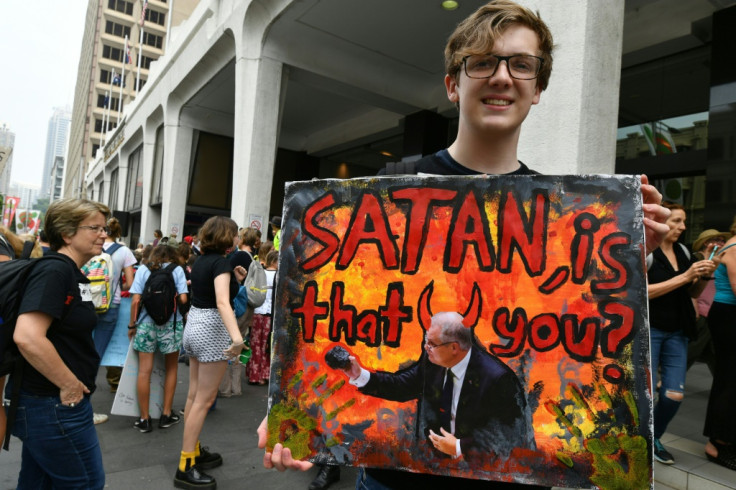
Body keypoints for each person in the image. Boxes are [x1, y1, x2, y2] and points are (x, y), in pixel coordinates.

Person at [258, 1, 670, 488]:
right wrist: (292, 407)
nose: (502, 76)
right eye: (482, 62)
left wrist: (627, 261)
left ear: (538, 89)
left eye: (521, 64)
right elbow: (332, 316)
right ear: (454, 84)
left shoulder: (566, 216)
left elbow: (574, 363)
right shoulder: (387, 191)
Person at [6, 198, 109, 488]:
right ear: (66, 234)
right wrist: (69, 384)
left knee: (37, 483)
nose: (104, 234)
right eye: (95, 228)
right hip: (53, 405)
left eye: (105, 228)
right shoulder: (55, 271)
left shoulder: (71, 273)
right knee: (87, 483)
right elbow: (27, 336)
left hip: (50, 405)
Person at [174, 216, 247, 489]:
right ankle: (185, 465)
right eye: (235, 233)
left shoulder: (202, 260)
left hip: (194, 325)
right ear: (227, 237)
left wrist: (236, 281)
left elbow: (212, 294)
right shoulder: (222, 263)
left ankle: (192, 451)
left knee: (194, 396)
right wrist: (237, 338)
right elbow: (222, 303)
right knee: (203, 400)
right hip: (212, 330)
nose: (238, 236)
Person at [647, 203, 716, 465]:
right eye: (676, 221)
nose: (683, 227)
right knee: (647, 393)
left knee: (674, 395)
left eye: (683, 221)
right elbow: (644, 292)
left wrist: (703, 276)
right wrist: (686, 275)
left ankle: (654, 437)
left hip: (678, 330)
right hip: (652, 329)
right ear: (661, 221)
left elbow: (692, 294)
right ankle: (641, 441)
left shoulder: (683, 251)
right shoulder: (647, 252)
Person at [128, 244, 189, 432]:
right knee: (171, 368)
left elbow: (136, 300)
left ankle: (144, 419)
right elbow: (184, 300)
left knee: (144, 371)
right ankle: (166, 414)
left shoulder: (143, 269)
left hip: (146, 324)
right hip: (171, 324)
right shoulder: (177, 269)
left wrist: (132, 324)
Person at [92, 217, 136, 402]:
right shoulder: (124, 251)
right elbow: (131, 283)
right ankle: (109, 382)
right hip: (111, 303)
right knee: (102, 348)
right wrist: (117, 286)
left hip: (87, 302)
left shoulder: (92, 245)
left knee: (82, 346)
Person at [703, 227, 736, 469]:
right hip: (729, 315)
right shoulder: (734, 248)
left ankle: (726, 438)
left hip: (728, 314)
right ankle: (717, 442)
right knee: (729, 378)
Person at [687, 229, 730, 374]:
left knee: (713, 352)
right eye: (718, 239)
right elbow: (691, 286)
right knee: (693, 349)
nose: (722, 243)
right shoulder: (697, 258)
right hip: (701, 310)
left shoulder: (717, 261)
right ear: (707, 242)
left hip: (712, 310)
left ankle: (723, 384)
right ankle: (669, 378)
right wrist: (694, 308)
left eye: (723, 240)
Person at [249, 249, 278, 386]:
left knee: (256, 345)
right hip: (270, 314)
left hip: (257, 311)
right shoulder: (279, 276)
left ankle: (254, 375)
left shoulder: (261, 274)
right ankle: (265, 375)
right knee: (267, 345)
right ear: (274, 262)